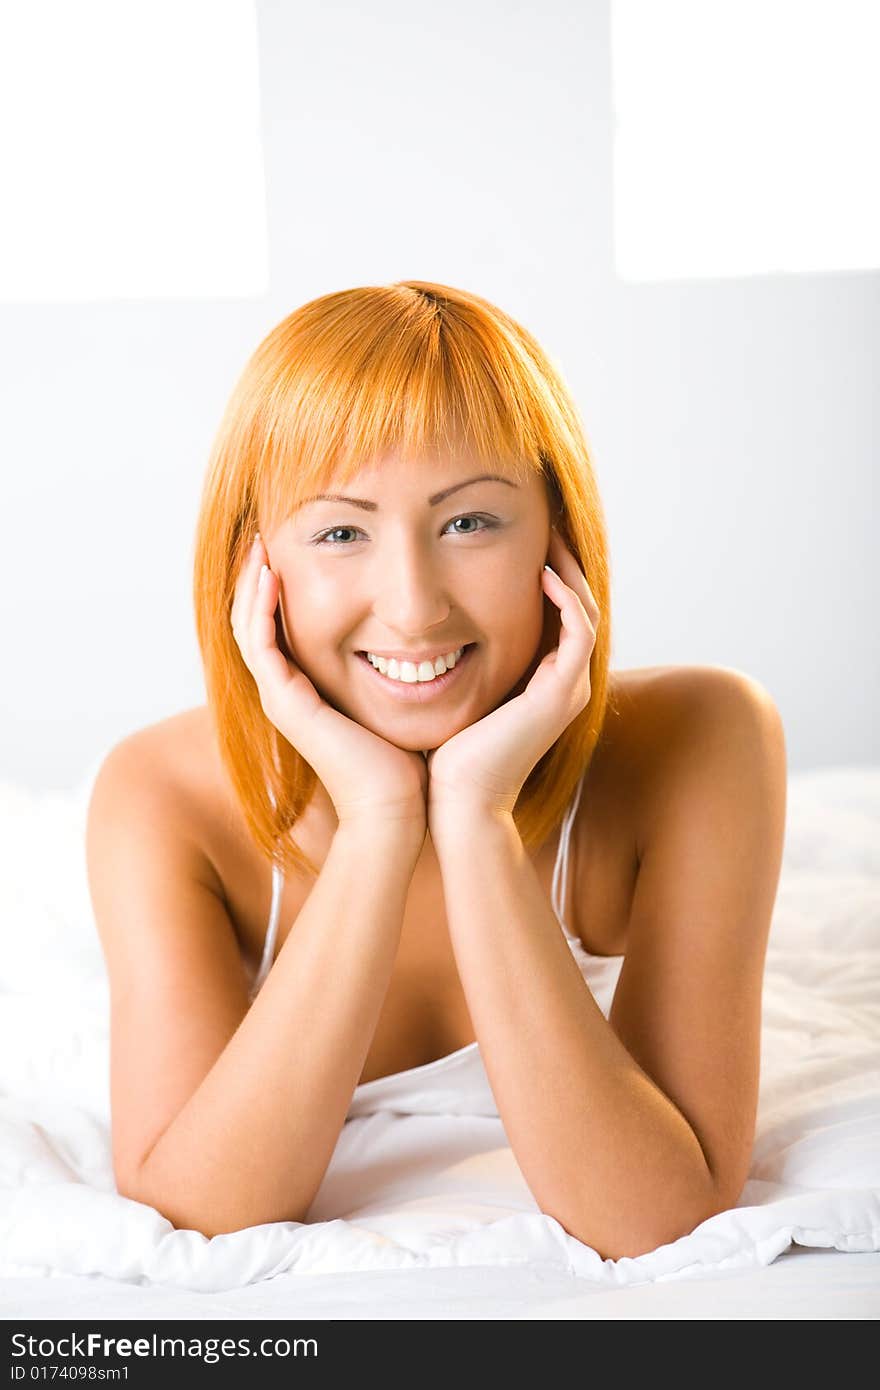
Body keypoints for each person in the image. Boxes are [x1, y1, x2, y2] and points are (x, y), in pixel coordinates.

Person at [85, 280, 787, 1257]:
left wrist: (474, 817)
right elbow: (203, 1213)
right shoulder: (159, 796)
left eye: (469, 523)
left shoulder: (706, 737)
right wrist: (378, 819)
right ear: (255, 565)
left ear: (557, 534)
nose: (412, 607)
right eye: (340, 532)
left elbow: (655, 1213)